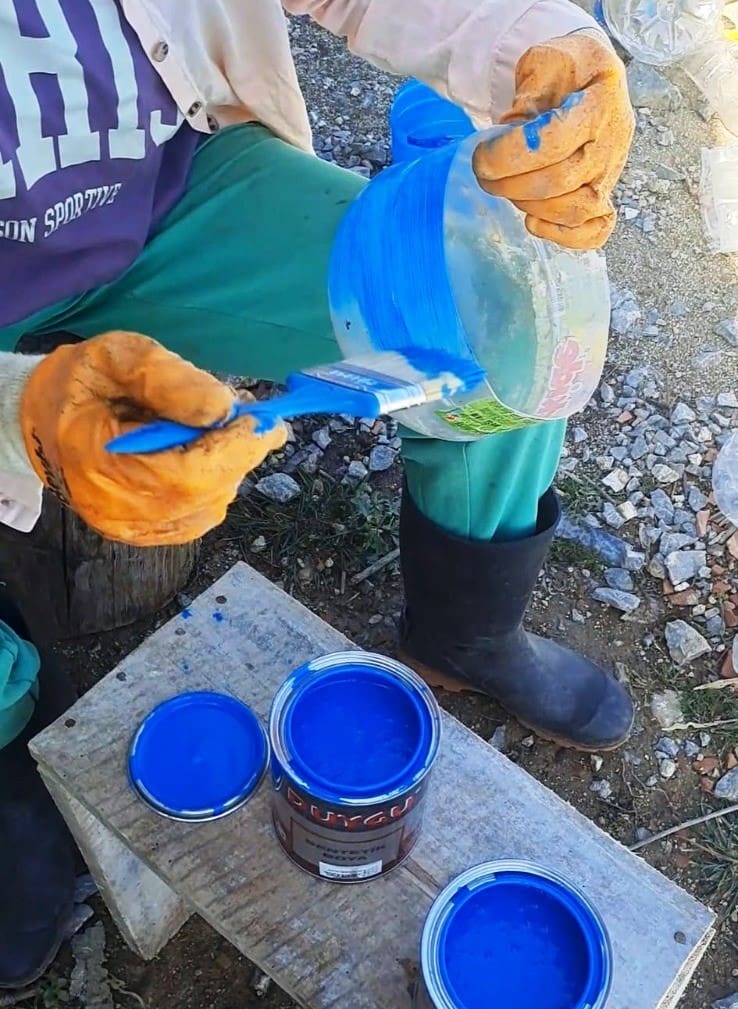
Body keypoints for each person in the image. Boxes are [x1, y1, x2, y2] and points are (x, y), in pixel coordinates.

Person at [0, 0, 635, 989]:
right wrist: (12, 409)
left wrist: (534, 41)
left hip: (171, 195)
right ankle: (8, 756)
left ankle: (466, 630)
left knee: (497, 320)